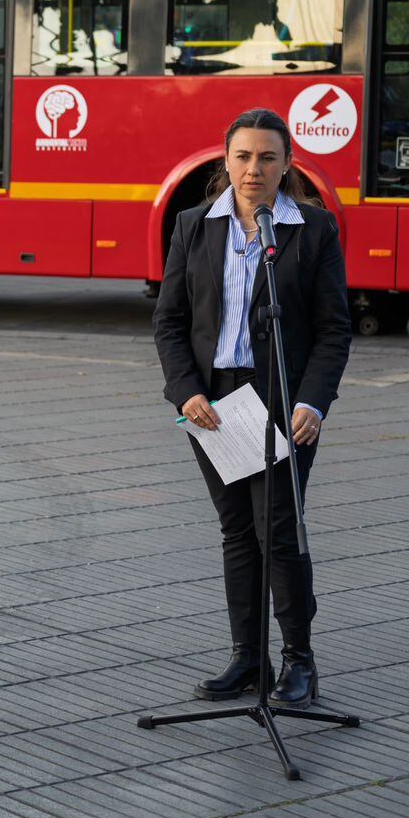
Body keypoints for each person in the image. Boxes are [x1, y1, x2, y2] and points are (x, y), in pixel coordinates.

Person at [153, 107, 351, 711]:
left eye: (267, 157)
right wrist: (187, 392)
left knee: (279, 531)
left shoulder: (311, 230)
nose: (253, 169)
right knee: (238, 531)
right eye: (242, 156)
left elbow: (333, 329)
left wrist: (314, 400)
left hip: (282, 400)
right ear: (225, 161)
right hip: (213, 403)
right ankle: (248, 657)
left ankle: (300, 662)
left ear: (288, 164)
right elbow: (170, 322)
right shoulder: (193, 225)